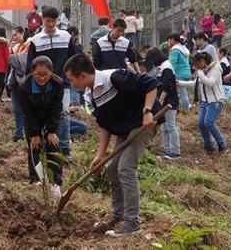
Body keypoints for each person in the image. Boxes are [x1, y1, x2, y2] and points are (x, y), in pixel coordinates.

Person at [64, 53, 163, 237]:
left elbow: (150, 84)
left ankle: (133, 222)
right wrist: (100, 155)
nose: (71, 84)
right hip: (124, 128)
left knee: (125, 168)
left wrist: (147, 111)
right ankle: (119, 215)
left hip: (142, 123)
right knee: (112, 168)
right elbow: (104, 126)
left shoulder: (114, 77)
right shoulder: (90, 96)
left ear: (82, 76)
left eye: (72, 79)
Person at [26, 6, 76, 159]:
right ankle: (47, 145)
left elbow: (73, 58)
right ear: (42, 20)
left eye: (54, 21)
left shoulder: (66, 37)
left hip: (63, 82)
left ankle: (65, 147)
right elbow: (31, 64)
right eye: (48, 21)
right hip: (43, 84)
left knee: (64, 112)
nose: (51, 24)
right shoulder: (35, 40)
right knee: (46, 114)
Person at [17, 56, 64, 195]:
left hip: (50, 117)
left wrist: (51, 130)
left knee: (54, 146)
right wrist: (34, 134)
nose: (42, 78)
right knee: (34, 147)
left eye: (46, 75)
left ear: (51, 73)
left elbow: (57, 108)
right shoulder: (23, 87)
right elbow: (27, 112)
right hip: (32, 118)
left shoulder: (57, 83)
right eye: (38, 74)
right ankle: (36, 179)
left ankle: (55, 182)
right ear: (32, 72)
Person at [178, 52, 226, 155]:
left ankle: (222, 145)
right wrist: (179, 83)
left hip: (216, 101)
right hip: (205, 102)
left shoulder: (216, 68)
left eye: (196, 64)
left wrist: (200, 74)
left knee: (208, 122)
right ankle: (209, 146)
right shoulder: (204, 70)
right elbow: (195, 83)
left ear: (202, 61)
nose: (195, 67)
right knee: (201, 123)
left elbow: (211, 83)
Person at [145, 48, 180, 160]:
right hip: (163, 102)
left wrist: (160, 100)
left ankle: (175, 151)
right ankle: (167, 150)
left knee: (170, 126)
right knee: (164, 127)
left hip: (169, 102)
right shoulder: (162, 67)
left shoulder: (167, 67)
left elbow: (167, 86)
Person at [8, 26, 29, 142]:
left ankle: (26, 132)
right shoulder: (15, 48)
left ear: (22, 33)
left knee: (25, 108)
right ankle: (19, 132)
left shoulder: (29, 45)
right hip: (15, 82)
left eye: (16, 34)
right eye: (13, 35)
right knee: (17, 109)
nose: (14, 37)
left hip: (25, 82)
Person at [167, 33, 191, 110]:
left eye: (169, 40)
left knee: (183, 94)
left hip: (179, 74)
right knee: (185, 93)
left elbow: (171, 64)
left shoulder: (175, 50)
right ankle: (186, 108)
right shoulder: (184, 49)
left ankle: (185, 110)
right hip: (187, 73)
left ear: (173, 40)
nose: (168, 42)